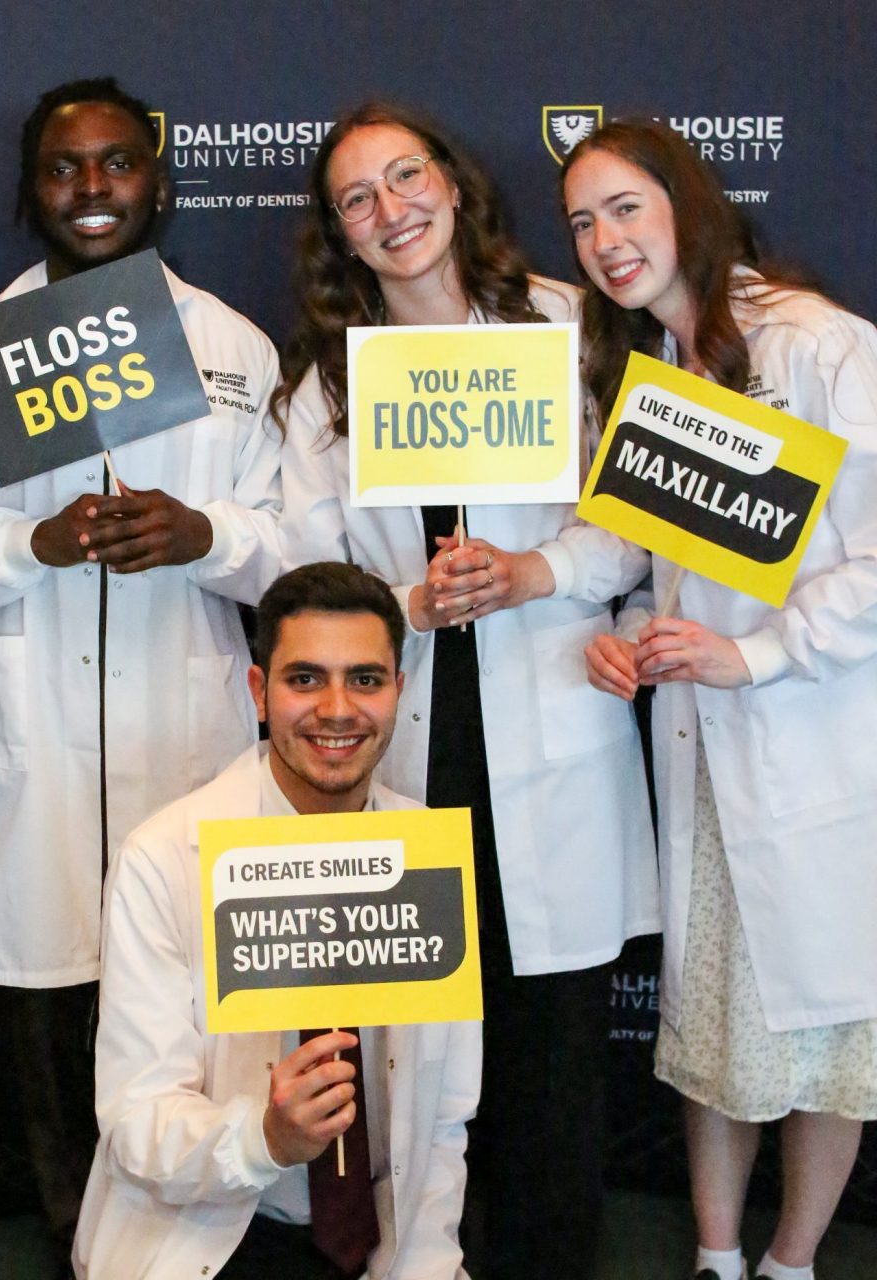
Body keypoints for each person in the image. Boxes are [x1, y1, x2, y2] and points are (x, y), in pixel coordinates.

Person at [272, 102, 659, 1280]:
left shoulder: (564, 325)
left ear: (451, 183)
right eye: (357, 199)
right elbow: (301, 571)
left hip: (552, 730)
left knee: (550, 1067)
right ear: (339, 233)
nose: (390, 212)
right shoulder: (327, 391)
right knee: (417, 1066)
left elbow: (642, 518)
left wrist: (536, 568)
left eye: (405, 178)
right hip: (409, 748)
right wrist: (406, 601)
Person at [0, 77, 282, 1250]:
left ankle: (209, 1238)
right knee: (52, 1018)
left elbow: (288, 544)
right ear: (32, 191)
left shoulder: (231, 345)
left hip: (190, 726)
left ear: (156, 178)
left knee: (201, 1000)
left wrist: (201, 533)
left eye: (116, 163)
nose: (92, 189)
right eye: (65, 168)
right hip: (42, 736)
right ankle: (86, 1242)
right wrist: (38, 540)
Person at [565, 119, 877, 1280]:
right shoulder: (653, 376)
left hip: (816, 745)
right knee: (710, 1029)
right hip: (702, 756)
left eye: (624, 208)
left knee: (825, 1024)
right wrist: (622, 639)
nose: (603, 242)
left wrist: (758, 656)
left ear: (684, 202)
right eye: (582, 224)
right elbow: (654, 569)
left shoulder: (818, 346)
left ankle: (791, 1259)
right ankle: (713, 1255)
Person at [74, 560, 481, 1279]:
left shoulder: (429, 854)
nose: (336, 709)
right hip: (224, 1227)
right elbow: (137, 1120)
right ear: (260, 692)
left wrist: (425, 1263)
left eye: (365, 679)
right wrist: (265, 1138)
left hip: (383, 1236)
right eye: (305, 679)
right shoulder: (164, 857)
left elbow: (444, 1119)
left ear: (399, 692)